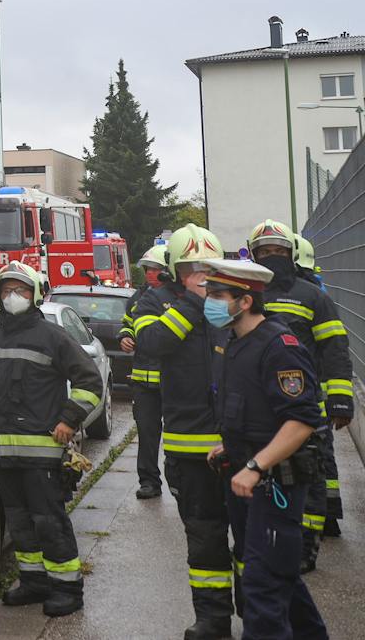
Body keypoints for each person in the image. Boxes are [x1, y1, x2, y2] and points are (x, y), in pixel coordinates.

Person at [202, 256, 330, 639]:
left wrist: (256, 464)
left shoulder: (280, 346)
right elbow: (253, 410)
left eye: (218, 295)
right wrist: (231, 449)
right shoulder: (235, 343)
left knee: (261, 587)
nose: (210, 301)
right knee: (279, 579)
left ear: (245, 301)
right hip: (245, 478)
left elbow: (302, 420)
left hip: (276, 485)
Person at [0, 262, 103, 618]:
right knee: (20, 522)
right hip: (5, 454)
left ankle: (68, 589)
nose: (14, 297)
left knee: (49, 521)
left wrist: (69, 420)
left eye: (21, 290)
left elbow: (90, 383)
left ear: (35, 294)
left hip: (42, 455)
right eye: (7, 290)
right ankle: (34, 582)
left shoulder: (53, 337)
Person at [135, 224, 236, 640]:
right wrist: (194, 305)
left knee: (251, 537)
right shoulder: (153, 304)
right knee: (205, 537)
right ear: (177, 272)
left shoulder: (232, 304)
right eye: (193, 268)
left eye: (207, 268)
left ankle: (258, 610)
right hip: (190, 452)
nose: (201, 275)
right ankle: (213, 621)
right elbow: (152, 343)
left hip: (240, 445)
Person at [248, 221, 353, 561]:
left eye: (278, 251)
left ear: (291, 254)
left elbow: (334, 348)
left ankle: (306, 544)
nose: (272, 257)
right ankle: (266, 536)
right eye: (265, 252)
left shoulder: (312, 296)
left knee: (310, 472)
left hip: (305, 404)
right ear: (253, 255)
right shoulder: (246, 296)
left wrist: (339, 398)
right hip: (258, 406)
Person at [296, 233, 348, 538]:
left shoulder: (310, 295)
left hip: (314, 389)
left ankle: (324, 516)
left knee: (318, 456)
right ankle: (329, 515)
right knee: (323, 454)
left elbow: (331, 345)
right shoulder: (317, 289)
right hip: (320, 387)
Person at [122, 243, 170, 499]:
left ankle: (180, 480)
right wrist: (126, 336)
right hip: (142, 380)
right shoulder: (137, 299)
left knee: (176, 435)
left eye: (155, 269)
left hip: (171, 380)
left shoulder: (178, 298)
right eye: (147, 269)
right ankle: (149, 482)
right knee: (147, 434)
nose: (149, 274)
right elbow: (128, 324)